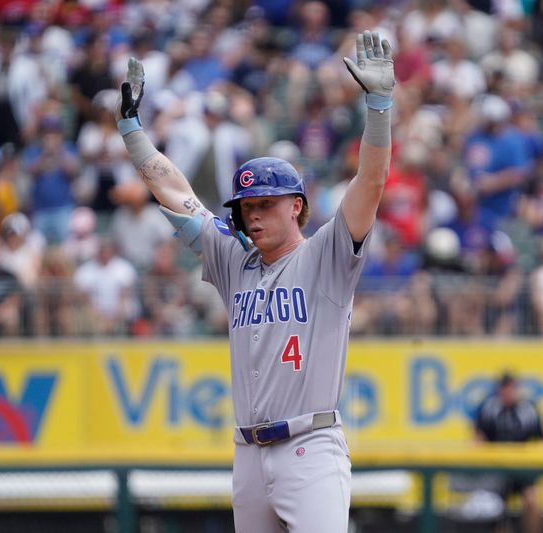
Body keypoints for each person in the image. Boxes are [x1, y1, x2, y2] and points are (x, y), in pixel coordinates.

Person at [114, 30, 394, 532]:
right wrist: (134, 132)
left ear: (296, 206)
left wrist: (379, 106)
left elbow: (370, 184)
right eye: (246, 208)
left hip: (310, 447)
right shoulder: (233, 260)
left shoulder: (327, 255)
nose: (254, 216)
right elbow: (177, 192)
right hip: (247, 450)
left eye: (265, 204)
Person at [475, 372, 543, 533]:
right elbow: (477, 440)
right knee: (494, 505)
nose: (509, 393)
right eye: (505, 389)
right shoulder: (488, 408)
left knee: (534, 500)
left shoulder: (528, 409)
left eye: (512, 389)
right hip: (496, 470)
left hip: (521, 470)